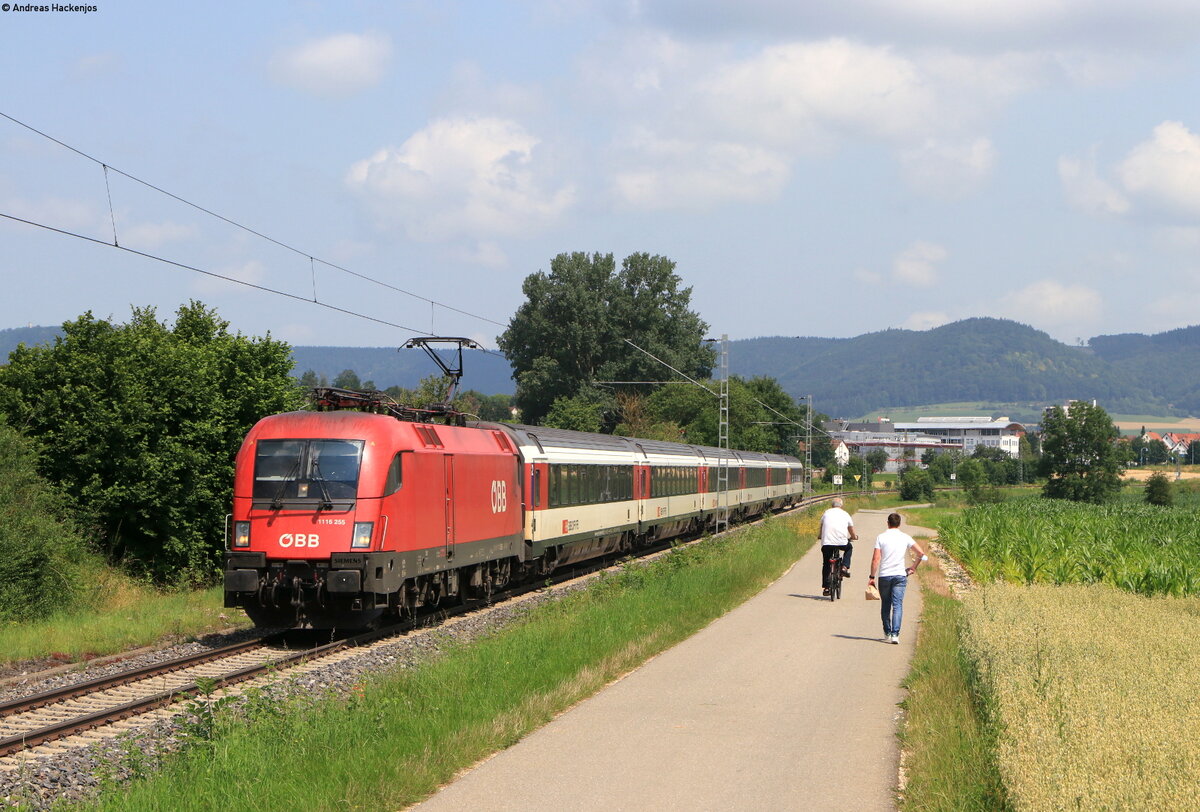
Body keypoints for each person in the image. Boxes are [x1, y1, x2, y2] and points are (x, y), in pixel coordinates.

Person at [868, 512, 928, 644]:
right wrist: (913, 567)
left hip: (884, 575)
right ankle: (895, 634)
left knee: (886, 604)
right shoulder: (905, 537)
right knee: (897, 605)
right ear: (899, 524)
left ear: (887, 523)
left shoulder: (881, 537)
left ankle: (887, 632)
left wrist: (872, 576)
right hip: (900, 575)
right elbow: (921, 553)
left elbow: (876, 559)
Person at [817, 497, 857, 595]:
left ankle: (826, 588)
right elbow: (851, 529)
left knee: (826, 563)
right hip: (841, 542)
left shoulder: (826, 513)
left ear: (832, 505)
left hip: (827, 543)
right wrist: (854, 536)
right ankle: (844, 567)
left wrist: (820, 536)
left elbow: (822, 526)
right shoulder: (845, 514)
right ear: (841, 506)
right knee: (849, 548)